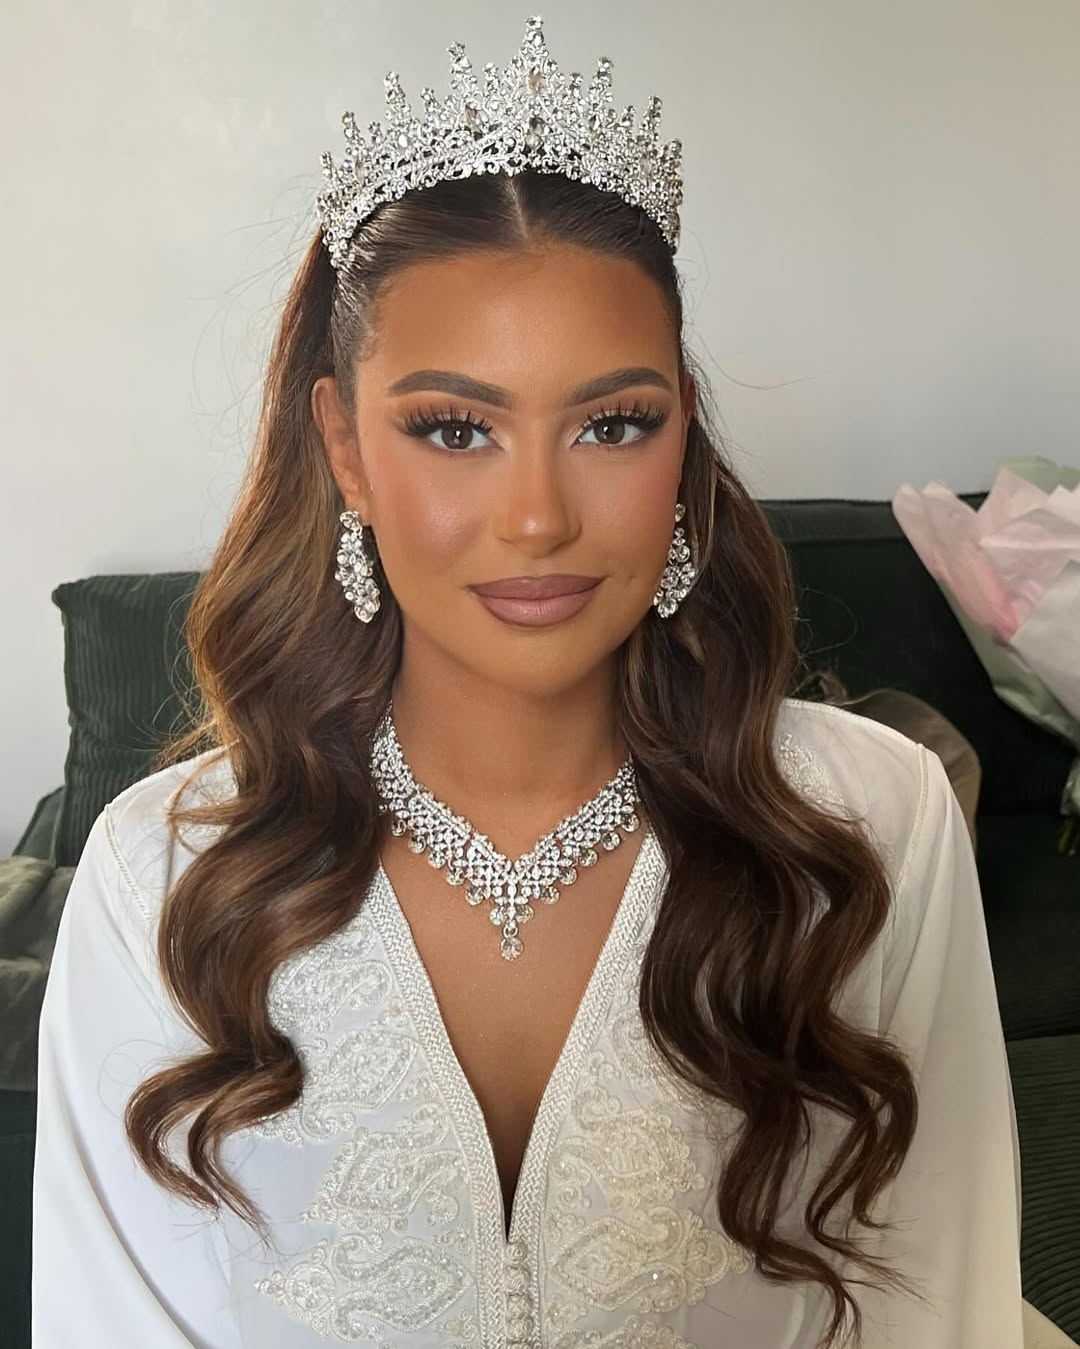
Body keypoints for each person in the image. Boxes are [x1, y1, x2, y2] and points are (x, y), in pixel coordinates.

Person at [31, 15, 1024, 1349]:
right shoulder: (162, 876)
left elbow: (936, 1300)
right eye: (455, 428)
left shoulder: (870, 824)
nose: (540, 516)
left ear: (683, 434)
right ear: (346, 448)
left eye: (614, 423)